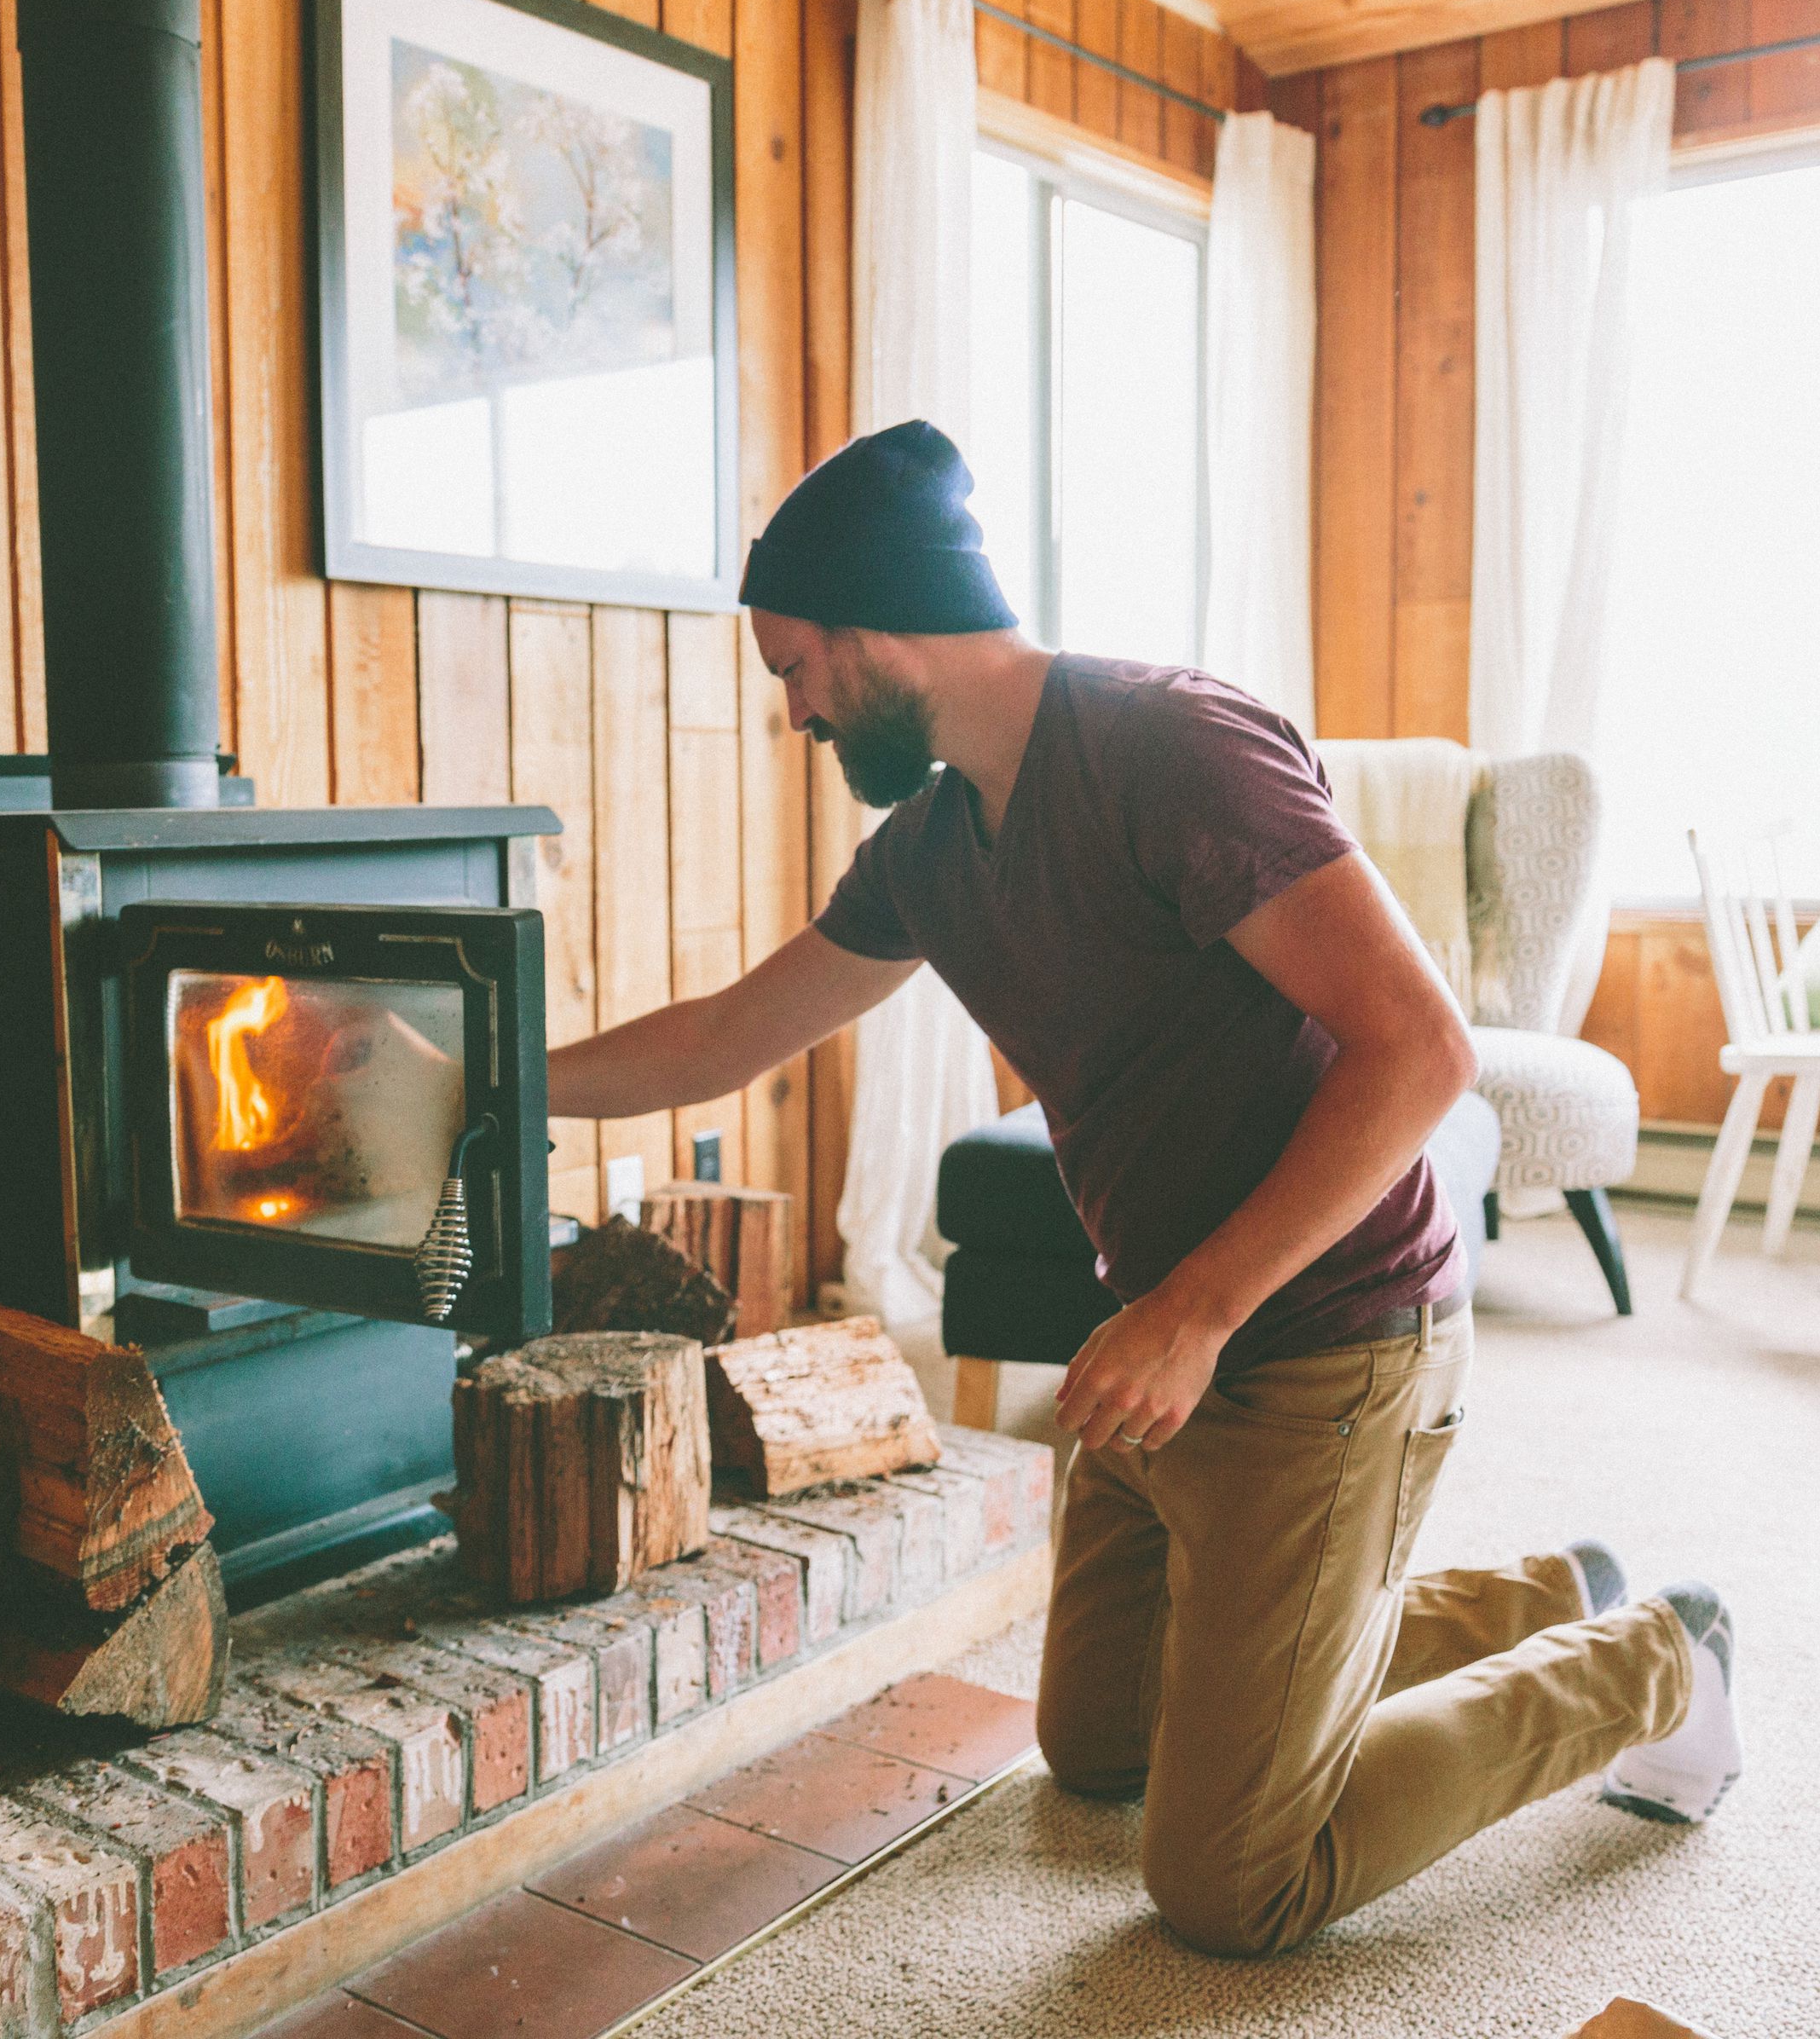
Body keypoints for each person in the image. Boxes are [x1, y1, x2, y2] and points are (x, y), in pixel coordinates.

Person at [546, 419, 1743, 1958]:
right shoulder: (928, 851)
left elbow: (1424, 1049)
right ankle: (1546, 1593)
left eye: (796, 669)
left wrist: (1191, 1314)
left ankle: (1655, 1656)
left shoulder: (1168, 748)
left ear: (880, 627)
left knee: (1233, 1882)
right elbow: (725, 1035)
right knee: (1100, 1748)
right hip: (1166, 1357)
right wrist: (502, 1082)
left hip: (1325, 1330)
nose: (794, 714)